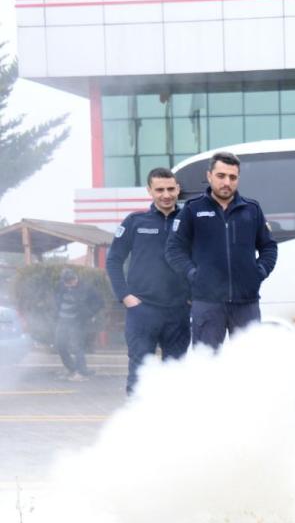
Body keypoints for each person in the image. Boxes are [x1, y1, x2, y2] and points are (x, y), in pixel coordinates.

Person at [165, 151, 278, 348]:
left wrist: (258, 272)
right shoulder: (192, 210)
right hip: (207, 304)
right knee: (206, 366)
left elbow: (269, 247)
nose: (227, 182)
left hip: (246, 304)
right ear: (209, 176)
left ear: (238, 179)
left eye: (232, 177)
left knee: (248, 364)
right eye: (221, 176)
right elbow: (174, 250)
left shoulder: (252, 210)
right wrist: (193, 274)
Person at [105, 167, 191, 395]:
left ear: (178, 189)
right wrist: (125, 296)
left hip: (179, 311)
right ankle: (137, 425)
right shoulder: (135, 221)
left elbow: (203, 259)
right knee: (140, 373)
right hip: (142, 310)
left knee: (176, 374)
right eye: (160, 189)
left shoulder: (188, 220)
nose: (166, 195)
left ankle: (171, 424)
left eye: (171, 189)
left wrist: (193, 296)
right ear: (149, 191)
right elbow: (113, 260)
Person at [54, 268, 103, 381]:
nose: (68, 285)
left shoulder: (86, 288)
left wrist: (90, 313)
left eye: (70, 282)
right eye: (66, 283)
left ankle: (81, 372)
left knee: (77, 346)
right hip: (62, 320)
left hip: (77, 321)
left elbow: (99, 302)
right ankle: (72, 369)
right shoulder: (62, 285)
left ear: (75, 278)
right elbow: (57, 297)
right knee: (60, 345)